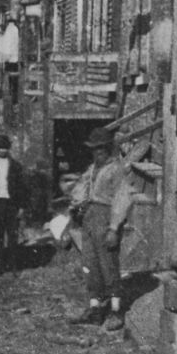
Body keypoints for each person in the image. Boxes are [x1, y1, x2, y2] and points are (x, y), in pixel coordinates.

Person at [69, 126, 134, 330]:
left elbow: (122, 199)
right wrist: (77, 206)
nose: (97, 153)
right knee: (90, 265)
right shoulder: (93, 169)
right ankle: (95, 309)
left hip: (106, 218)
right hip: (90, 217)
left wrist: (114, 228)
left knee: (108, 266)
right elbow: (81, 190)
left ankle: (116, 311)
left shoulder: (117, 170)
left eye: (101, 149)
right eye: (94, 149)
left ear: (108, 149)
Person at [0, 133, 26, 272]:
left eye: (5, 148)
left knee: (12, 235)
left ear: (8, 149)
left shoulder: (16, 166)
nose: (2, 151)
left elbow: (22, 187)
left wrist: (22, 206)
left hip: (12, 204)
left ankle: (13, 265)